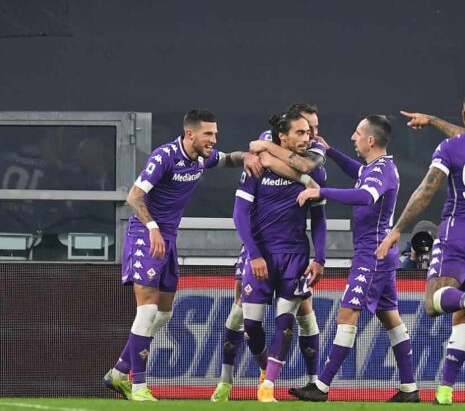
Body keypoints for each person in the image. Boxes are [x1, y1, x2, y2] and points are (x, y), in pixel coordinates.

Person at [101, 109, 263, 401]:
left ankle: (119, 372)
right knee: (147, 310)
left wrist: (247, 157)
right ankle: (138, 387)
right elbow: (134, 196)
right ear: (190, 134)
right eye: (208, 134)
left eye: (215, 133)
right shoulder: (164, 157)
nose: (214, 139)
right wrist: (152, 228)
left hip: (168, 240)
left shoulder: (201, 158)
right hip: (146, 236)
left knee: (163, 314)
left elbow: (228, 159)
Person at [376, 91, 465, 405]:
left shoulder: (450, 148)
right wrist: (433, 121)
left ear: (464, 115)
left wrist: (397, 229)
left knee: (432, 302)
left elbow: (426, 192)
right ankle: (445, 390)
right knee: (463, 317)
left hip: (457, 234)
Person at [292, 115, 419, 403]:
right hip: (378, 253)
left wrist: (320, 191)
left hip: (373, 254)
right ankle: (409, 388)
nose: (354, 137)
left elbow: (364, 196)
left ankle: (321, 387)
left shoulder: (381, 170)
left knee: (347, 313)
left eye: (358, 133)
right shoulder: (376, 167)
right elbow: (359, 173)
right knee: (390, 317)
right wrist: (331, 151)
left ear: (371, 140)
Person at [210, 104, 326, 402]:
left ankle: (272, 385)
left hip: (294, 256)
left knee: (289, 321)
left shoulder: (316, 158)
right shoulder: (258, 163)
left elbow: (318, 215)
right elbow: (240, 213)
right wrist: (254, 254)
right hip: (259, 253)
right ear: (283, 135)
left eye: (312, 130)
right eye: (303, 131)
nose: (311, 136)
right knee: (248, 322)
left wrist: (320, 257)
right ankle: (242, 374)